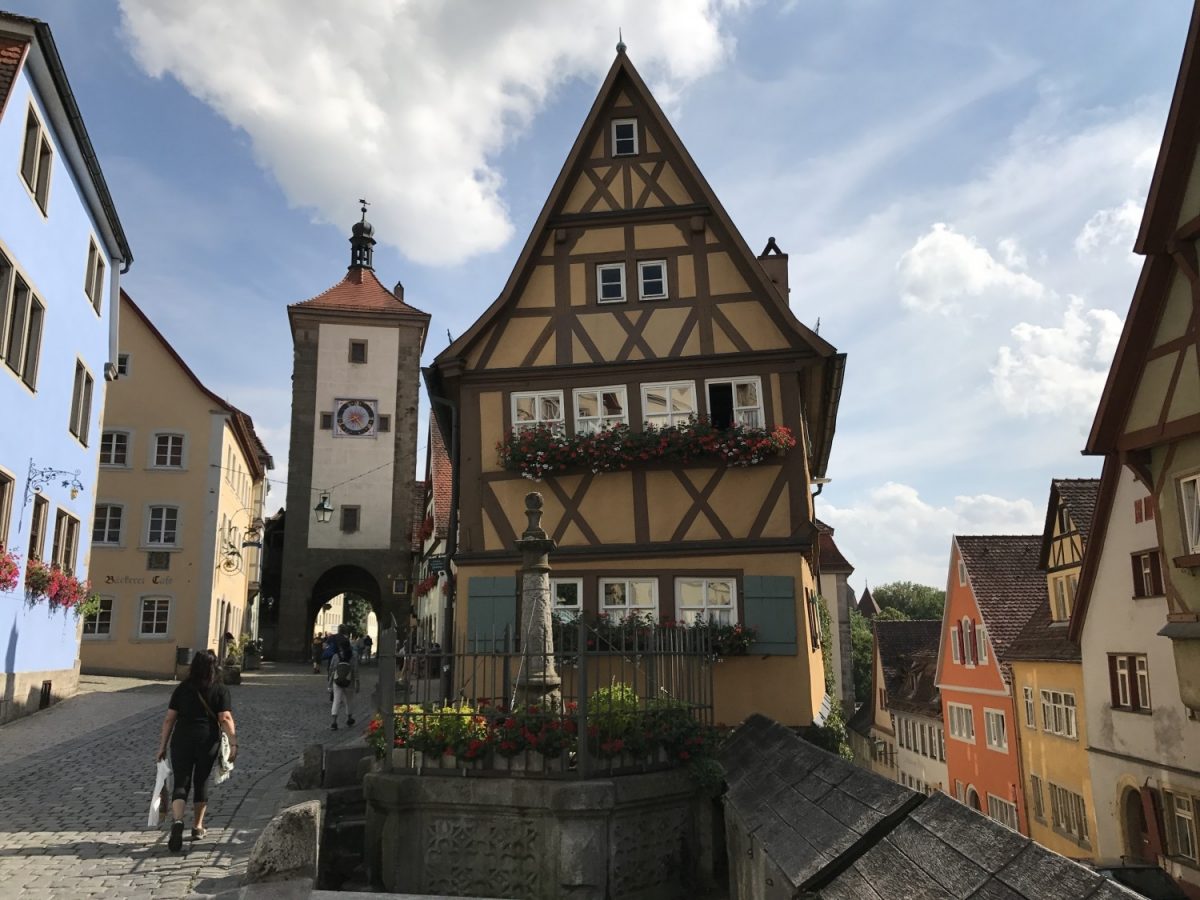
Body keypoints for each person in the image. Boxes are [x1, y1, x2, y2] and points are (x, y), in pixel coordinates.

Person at [155, 651, 237, 852]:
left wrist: (162, 746)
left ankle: (177, 821)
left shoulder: (182, 689)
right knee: (201, 781)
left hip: (181, 740)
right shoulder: (220, 690)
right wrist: (234, 743)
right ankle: (198, 827)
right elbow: (225, 718)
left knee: (181, 781)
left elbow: (169, 719)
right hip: (207, 741)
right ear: (214, 667)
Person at [328, 630, 358, 730]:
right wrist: (357, 683)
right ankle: (349, 718)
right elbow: (355, 670)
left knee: (336, 700)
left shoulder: (336, 656)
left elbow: (331, 669)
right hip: (349, 680)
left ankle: (334, 722)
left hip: (337, 680)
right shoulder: (353, 655)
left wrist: (329, 682)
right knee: (349, 700)